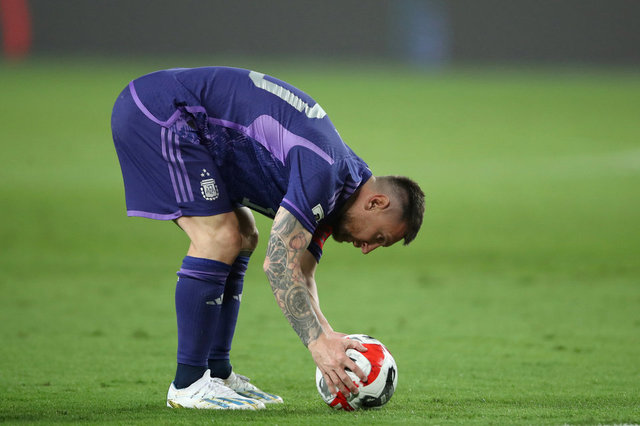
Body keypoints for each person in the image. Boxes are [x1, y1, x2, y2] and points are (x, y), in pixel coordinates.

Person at [111, 66, 425, 410]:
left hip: (184, 121)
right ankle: (188, 384)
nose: (367, 249)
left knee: (243, 234)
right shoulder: (325, 173)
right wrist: (316, 343)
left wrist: (327, 337)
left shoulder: (343, 188)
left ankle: (217, 374)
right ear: (376, 203)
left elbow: (301, 270)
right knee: (220, 237)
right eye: (378, 237)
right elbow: (278, 264)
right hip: (163, 113)